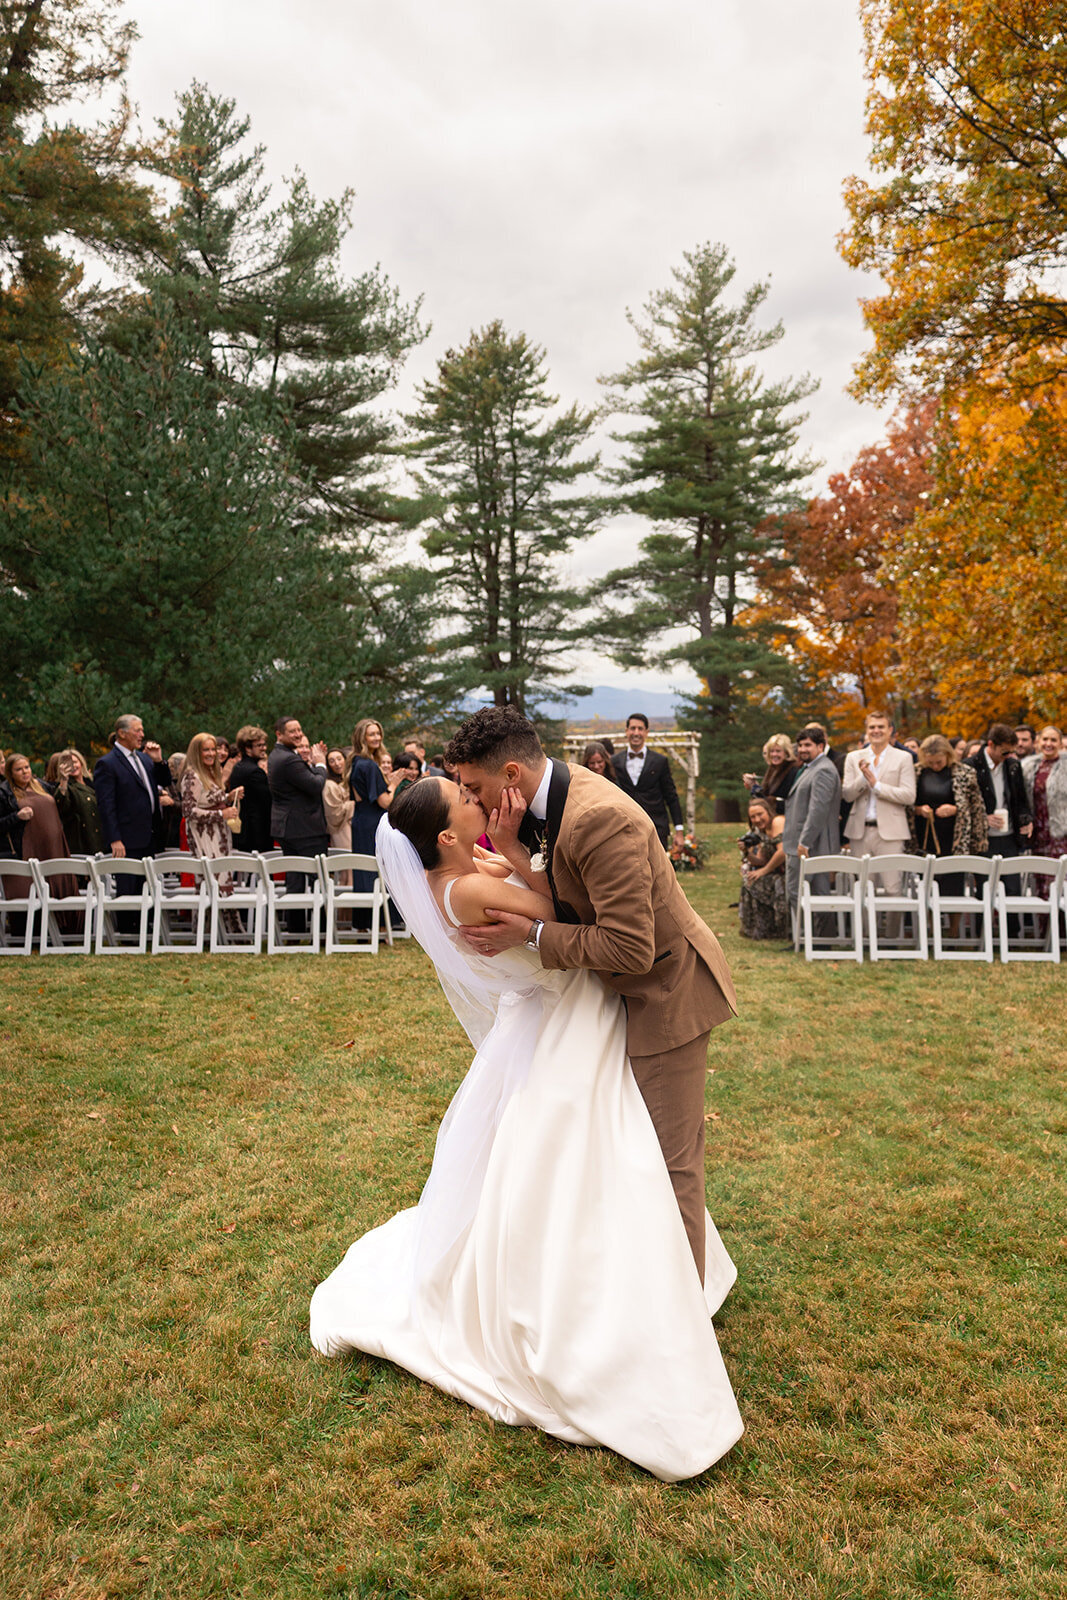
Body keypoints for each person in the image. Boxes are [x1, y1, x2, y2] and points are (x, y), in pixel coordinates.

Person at [310, 761, 743, 1483]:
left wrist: (508, 851)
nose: (479, 801)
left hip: (560, 1017)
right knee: (596, 1160)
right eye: (466, 799)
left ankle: (659, 1283)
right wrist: (515, 855)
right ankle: (611, 1309)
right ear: (448, 833)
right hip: (563, 1022)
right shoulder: (472, 884)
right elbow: (570, 914)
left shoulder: (459, 874)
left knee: (604, 1156)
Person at [841, 711, 917, 902]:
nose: (876, 731)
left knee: (893, 889)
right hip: (860, 830)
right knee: (863, 890)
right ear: (866, 731)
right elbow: (847, 795)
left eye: (881, 727)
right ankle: (865, 932)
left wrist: (877, 785)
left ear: (890, 730)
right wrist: (864, 777)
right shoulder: (853, 757)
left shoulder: (903, 757)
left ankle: (892, 933)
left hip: (892, 832)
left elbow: (909, 796)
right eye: (872, 727)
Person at [909, 736, 988, 917]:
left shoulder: (965, 773)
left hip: (954, 837)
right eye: (931, 762)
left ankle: (953, 932)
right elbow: (906, 805)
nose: (935, 766)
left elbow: (976, 807)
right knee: (927, 884)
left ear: (948, 755)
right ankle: (929, 929)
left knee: (954, 885)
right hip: (925, 836)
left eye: (939, 762)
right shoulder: (916, 772)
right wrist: (919, 809)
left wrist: (956, 809)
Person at [268, 717, 330, 927]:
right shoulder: (288, 759)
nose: (297, 734)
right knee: (317, 878)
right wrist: (320, 762)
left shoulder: (278, 755)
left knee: (294, 878)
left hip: (289, 827)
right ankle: (321, 930)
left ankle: (295, 928)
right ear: (279, 734)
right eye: (292, 731)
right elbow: (315, 785)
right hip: (304, 828)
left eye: (299, 730)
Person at [965, 724, 1032, 899]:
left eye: (1011, 752)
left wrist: (1026, 820)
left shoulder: (1012, 766)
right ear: (991, 744)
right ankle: (984, 927)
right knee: (984, 890)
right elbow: (963, 805)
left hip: (1009, 837)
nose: (1008, 756)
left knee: (1013, 890)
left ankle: (1012, 927)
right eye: (1004, 752)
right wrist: (982, 819)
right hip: (983, 839)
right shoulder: (970, 766)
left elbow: (1021, 800)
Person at [782, 726, 842, 923]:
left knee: (804, 892)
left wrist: (804, 843)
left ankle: (816, 940)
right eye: (800, 745)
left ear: (821, 746)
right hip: (806, 843)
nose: (802, 749)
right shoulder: (810, 768)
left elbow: (818, 810)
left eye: (808, 745)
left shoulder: (823, 770)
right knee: (809, 892)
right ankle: (812, 940)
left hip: (811, 845)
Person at [611, 713, 684, 848]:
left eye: (640, 729)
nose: (636, 733)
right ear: (626, 731)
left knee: (657, 869)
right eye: (632, 728)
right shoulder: (615, 761)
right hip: (624, 828)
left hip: (656, 827)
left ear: (647, 732)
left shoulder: (660, 761)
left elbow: (671, 796)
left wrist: (679, 831)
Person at [180, 733, 244, 873]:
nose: (211, 754)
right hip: (204, 836)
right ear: (196, 752)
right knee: (212, 881)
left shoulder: (210, 772)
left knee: (223, 879)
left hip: (220, 834)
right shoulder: (192, 776)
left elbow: (207, 799)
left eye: (213, 749)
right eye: (206, 750)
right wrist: (222, 813)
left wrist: (228, 797)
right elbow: (189, 811)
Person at [1021, 726, 1067, 891]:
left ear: (1061, 744)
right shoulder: (1027, 767)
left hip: (1061, 834)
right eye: (1045, 739)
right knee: (1041, 882)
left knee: (1061, 881)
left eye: (1053, 740)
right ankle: (1043, 918)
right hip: (1038, 833)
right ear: (1038, 742)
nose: (1049, 743)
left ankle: (1062, 917)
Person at [737, 797, 788, 941]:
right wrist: (746, 852)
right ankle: (762, 928)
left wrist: (763, 871)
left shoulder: (778, 821)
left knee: (757, 880)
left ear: (769, 812)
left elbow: (782, 852)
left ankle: (777, 927)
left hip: (789, 873)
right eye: (753, 817)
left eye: (760, 814)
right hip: (774, 872)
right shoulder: (761, 832)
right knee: (750, 879)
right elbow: (761, 860)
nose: (757, 819)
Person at [49, 749, 104, 856]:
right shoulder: (66, 788)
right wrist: (64, 781)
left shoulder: (92, 782)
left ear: (81, 762)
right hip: (83, 843)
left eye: (75, 762)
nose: (73, 766)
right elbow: (61, 806)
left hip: (103, 839)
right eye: (67, 764)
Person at [227, 727, 273, 854]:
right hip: (256, 833)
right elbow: (267, 801)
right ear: (247, 748)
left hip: (243, 831)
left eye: (264, 744)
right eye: (259, 745)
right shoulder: (255, 772)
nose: (264, 748)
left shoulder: (238, 767)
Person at [742, 734, 799, 814]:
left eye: (778, 751)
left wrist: (756, 790)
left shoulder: (793, 770)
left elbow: (782, 802)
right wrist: (754, 786)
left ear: (786, 753)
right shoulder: (773, 768)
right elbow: (765, 797)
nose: (774, 754)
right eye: (772, 751)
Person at [323, 748, 355, 853]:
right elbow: (334, 814)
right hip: (341, 831)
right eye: (332, 761)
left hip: (354, 827)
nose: (337, 763)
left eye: (339, 759)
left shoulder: (349, 779)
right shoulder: (329, 785)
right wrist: (355, 803)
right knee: (347, 864)